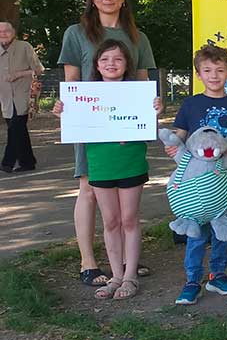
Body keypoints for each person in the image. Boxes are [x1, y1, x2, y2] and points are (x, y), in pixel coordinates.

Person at [58, 0, 156, 287]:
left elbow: (142, 84)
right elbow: (71, 82)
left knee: (127, 203)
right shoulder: (76, 33)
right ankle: (88, 261)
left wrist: (148, 114)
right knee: (88, 189)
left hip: (126, 128)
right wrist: (68, 112)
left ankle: (127, 261)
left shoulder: (138, 36)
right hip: (90, 125)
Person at [52, 40, 161, 300]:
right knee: (110, 222)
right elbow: (75, 124)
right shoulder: (83, 95)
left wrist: (156, 110)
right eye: (105, 60)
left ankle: (130, 275)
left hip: (130, 162)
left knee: (129, 220)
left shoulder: (139, 93)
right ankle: (115, 276)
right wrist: (62, 112)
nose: (111, 64)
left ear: (126, 64)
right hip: (100, 165)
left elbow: (149, 129)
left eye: (118, 59)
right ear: (97, 65)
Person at [164, 44, 227, 305]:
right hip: (194, 183)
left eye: (220, 70)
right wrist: (172, 145)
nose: (214, 75)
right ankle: (192, 280)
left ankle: (218, 274)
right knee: (195, 233)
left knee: (223, 229)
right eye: (207, 70)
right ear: (198, 74)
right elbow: (180, 134)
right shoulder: (191, 104)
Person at [0, 21, 43, 173]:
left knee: (15, 128)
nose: (3, 33)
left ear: (13, 32)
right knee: (19, 130)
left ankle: (7, 162)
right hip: (5, 98)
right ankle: (27, 162)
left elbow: (38, 70)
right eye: (0, 31)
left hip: (23, 96)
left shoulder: (25, 47)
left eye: (7, 30)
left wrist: (19, 74)